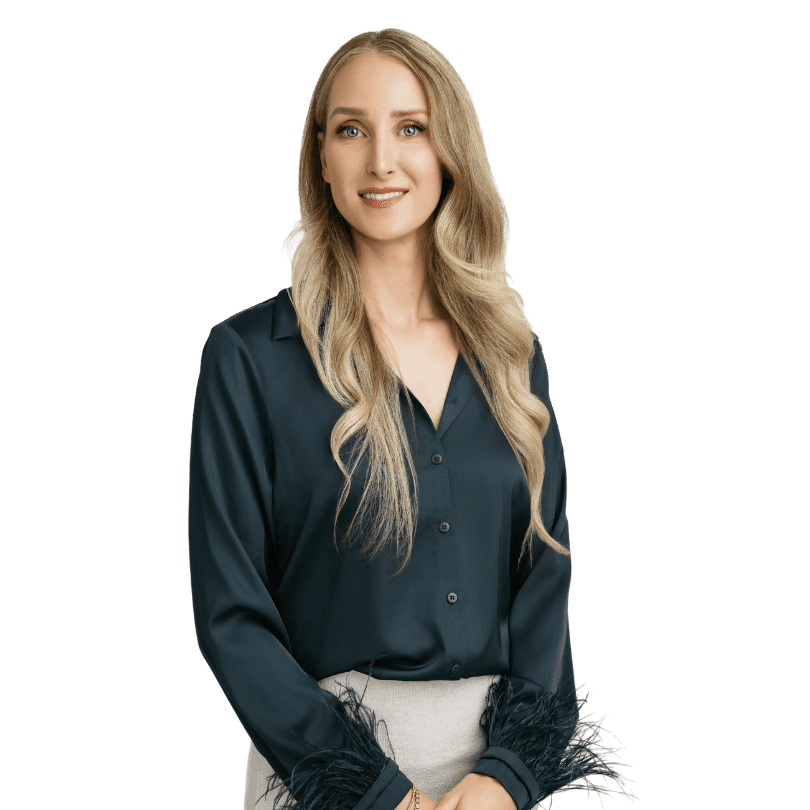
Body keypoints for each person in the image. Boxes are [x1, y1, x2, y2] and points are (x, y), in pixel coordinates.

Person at [188, 28, 627, 810]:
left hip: (491, 782)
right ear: (320, 157)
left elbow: (543, 582)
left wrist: (506, 778)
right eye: (352, 130)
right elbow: (232, 615)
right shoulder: (248, 358)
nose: (381, 161)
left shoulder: (511, 354)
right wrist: (375, 792)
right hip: (325, 773)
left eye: (411, 128)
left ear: (449, 151)